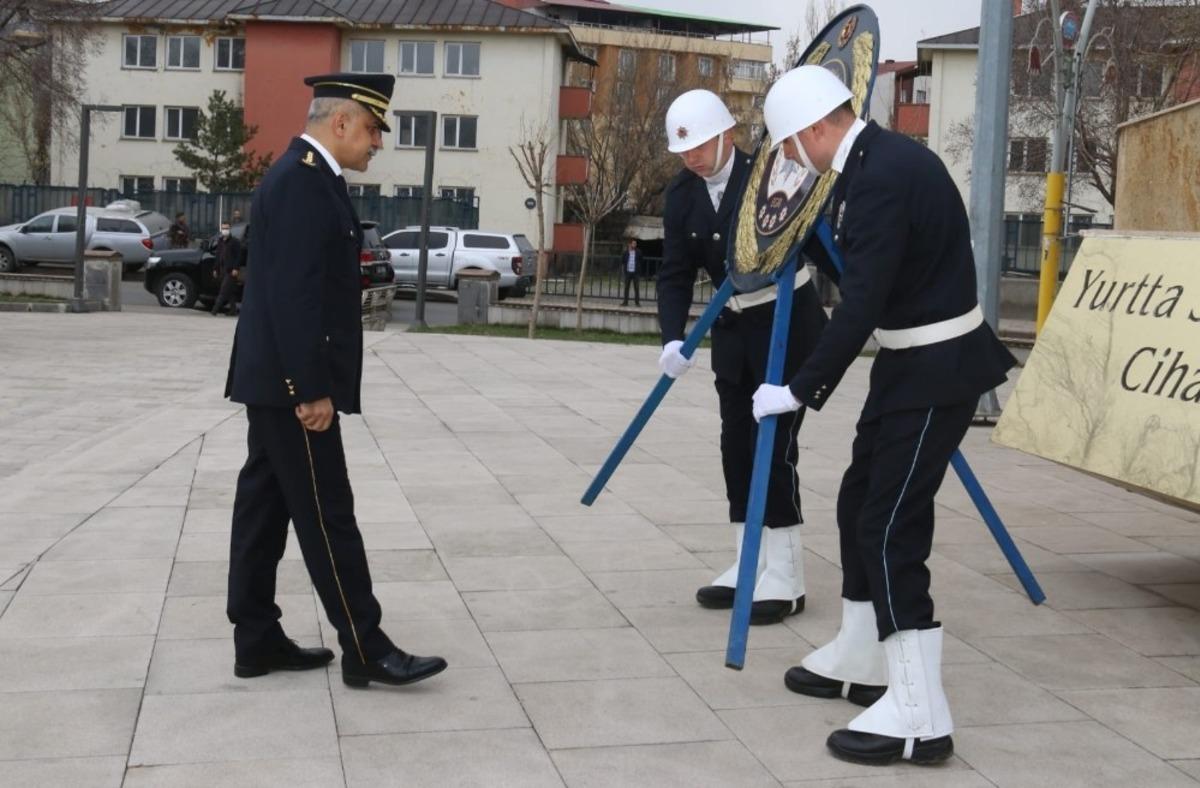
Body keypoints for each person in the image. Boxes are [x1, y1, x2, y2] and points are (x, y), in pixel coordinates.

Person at [752, 66, 1017, 765]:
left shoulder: (879, 175)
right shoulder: (873, 163)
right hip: (909, 365)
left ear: (813, 129)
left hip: (937, 368)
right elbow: (866, 265)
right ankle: (866, 654)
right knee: (857, 502)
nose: (788, 159)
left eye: (787, 146)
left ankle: (920, 714)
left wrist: (797, 388)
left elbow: (862, 301)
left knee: (891, 524)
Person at [224, 72, 447, 689]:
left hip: (274, 380)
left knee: (264, 509)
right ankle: (366, 645)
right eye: (373, 128)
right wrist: (310, 388)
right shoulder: (301, 182)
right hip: (293, 387)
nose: (378, 141)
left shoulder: (311, 177)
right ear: (341, 121)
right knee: (328, 512)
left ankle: (256, 638)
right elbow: (294, 296)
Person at [656, 89, 827, 625]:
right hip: (731, 327)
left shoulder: (774, 173)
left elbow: (820, 244)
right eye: (683, 150)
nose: (691, 157)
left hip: (784, 323)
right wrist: (671, 338)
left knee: (772, 449)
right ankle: (748, 562)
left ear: (727, 134)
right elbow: (676, 272)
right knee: (735, 447)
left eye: (700, 145)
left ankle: (787, 576)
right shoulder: (681, 195)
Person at [211, 221, 242, 316]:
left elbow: (238, 256)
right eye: (223, 228)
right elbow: (218, 255)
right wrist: (215, 269)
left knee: (223, 290)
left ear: (230, 229)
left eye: (227, 228)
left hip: (231, 270)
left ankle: (214, 310)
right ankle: (233, 310)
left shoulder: (235, 242)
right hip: (222, 269)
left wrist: (236, 268)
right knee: (230, 291)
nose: (225, 230)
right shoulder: (220, 241)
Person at [620, 238, 642, 306]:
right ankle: (625, 302)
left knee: (636, 287)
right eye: (633, 243)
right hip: (628, 272)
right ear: (630, 244)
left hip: (635, 272)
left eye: (635, 244)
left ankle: (637, 302)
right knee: (626, 287)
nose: (634, 245)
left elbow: (641, 260)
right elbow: (622, 261)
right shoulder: (626, 252)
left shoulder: (638, 252)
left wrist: (638, 267)